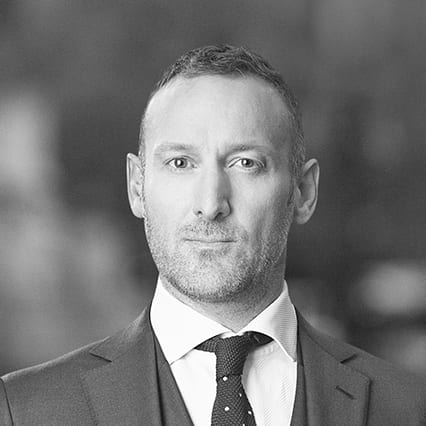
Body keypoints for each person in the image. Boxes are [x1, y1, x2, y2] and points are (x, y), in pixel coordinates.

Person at [0, 45, 424, 426]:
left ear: (304, 192)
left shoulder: (409, 409)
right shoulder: (24, 411)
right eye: (180, 163)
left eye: (245, 163)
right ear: (137, 187)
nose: (211, 203)